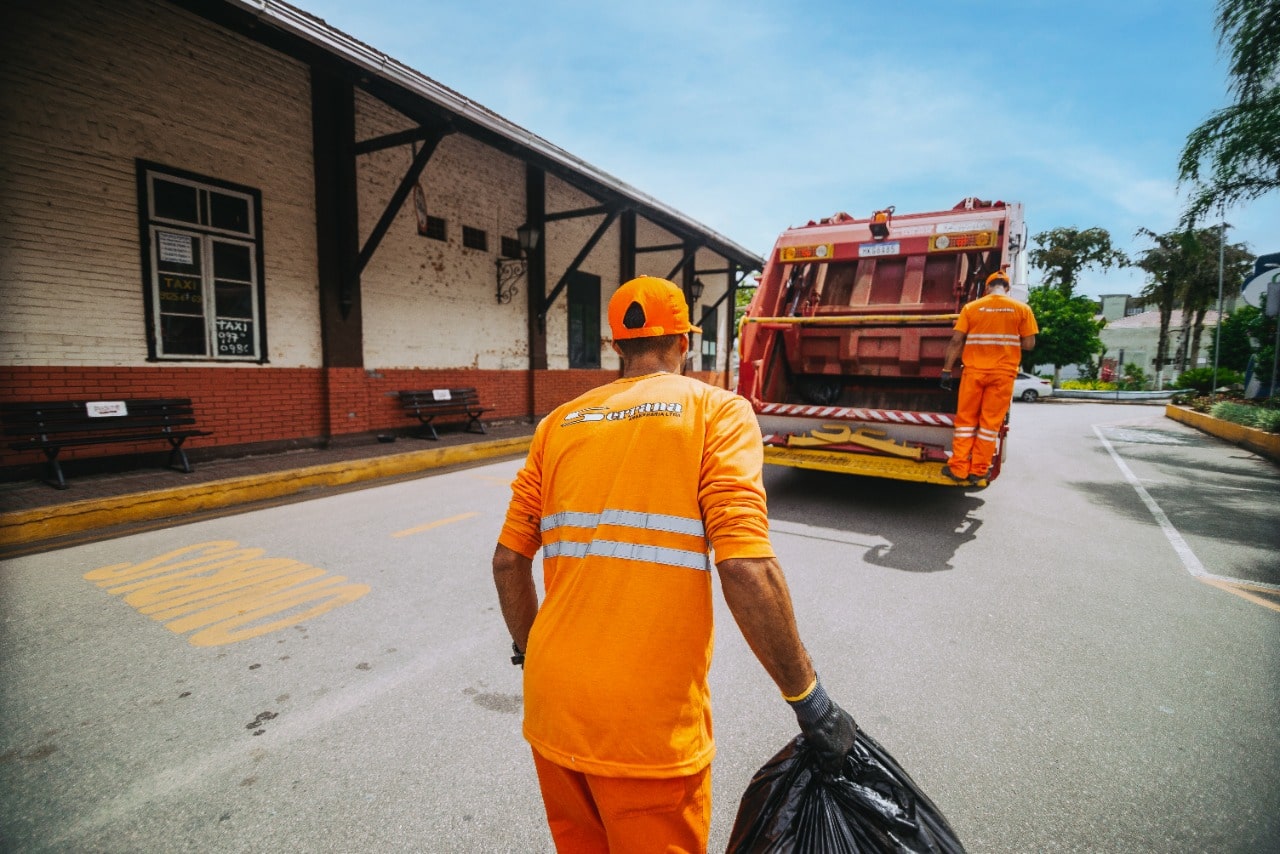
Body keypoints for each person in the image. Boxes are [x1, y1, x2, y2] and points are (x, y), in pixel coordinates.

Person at [493, 275, 857, 853]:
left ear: (616, 345)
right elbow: (744, 566)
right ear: (685, 341)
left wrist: (527, 650)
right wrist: (809, 701)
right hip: (647, 731)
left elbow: (508, 562)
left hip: (552, 707)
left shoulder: (557, 424)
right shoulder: (717, 412)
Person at [939, 269, 1039, 485]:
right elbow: (1029, 344)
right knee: (989, 425)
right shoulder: (1022, 309)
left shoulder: (971, 308)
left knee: (966, 422)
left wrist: (946, 370)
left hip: (974, 373)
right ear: (1007, 288)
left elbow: (956, 341)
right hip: (1003, 375)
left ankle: (958, 469)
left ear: (987, 288)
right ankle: (979, 470)